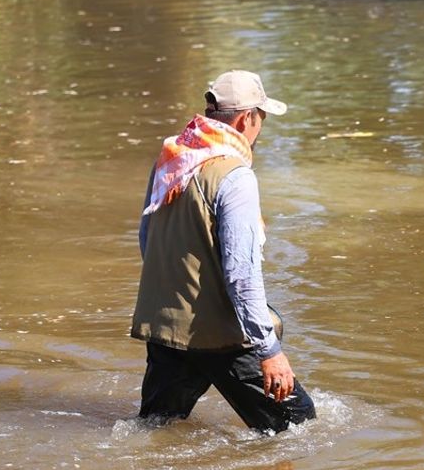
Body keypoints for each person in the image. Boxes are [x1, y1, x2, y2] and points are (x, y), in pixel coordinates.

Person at [131, 70, 315, 433]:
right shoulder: (236, 177)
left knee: (154, 431)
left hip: (167, 329)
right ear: (248, 118)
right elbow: (242, 275)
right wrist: (269, 352)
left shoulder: (172, 158)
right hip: (223, 337)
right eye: (260, 117)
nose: (260, 127)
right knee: (300, 430)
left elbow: (147, 239)